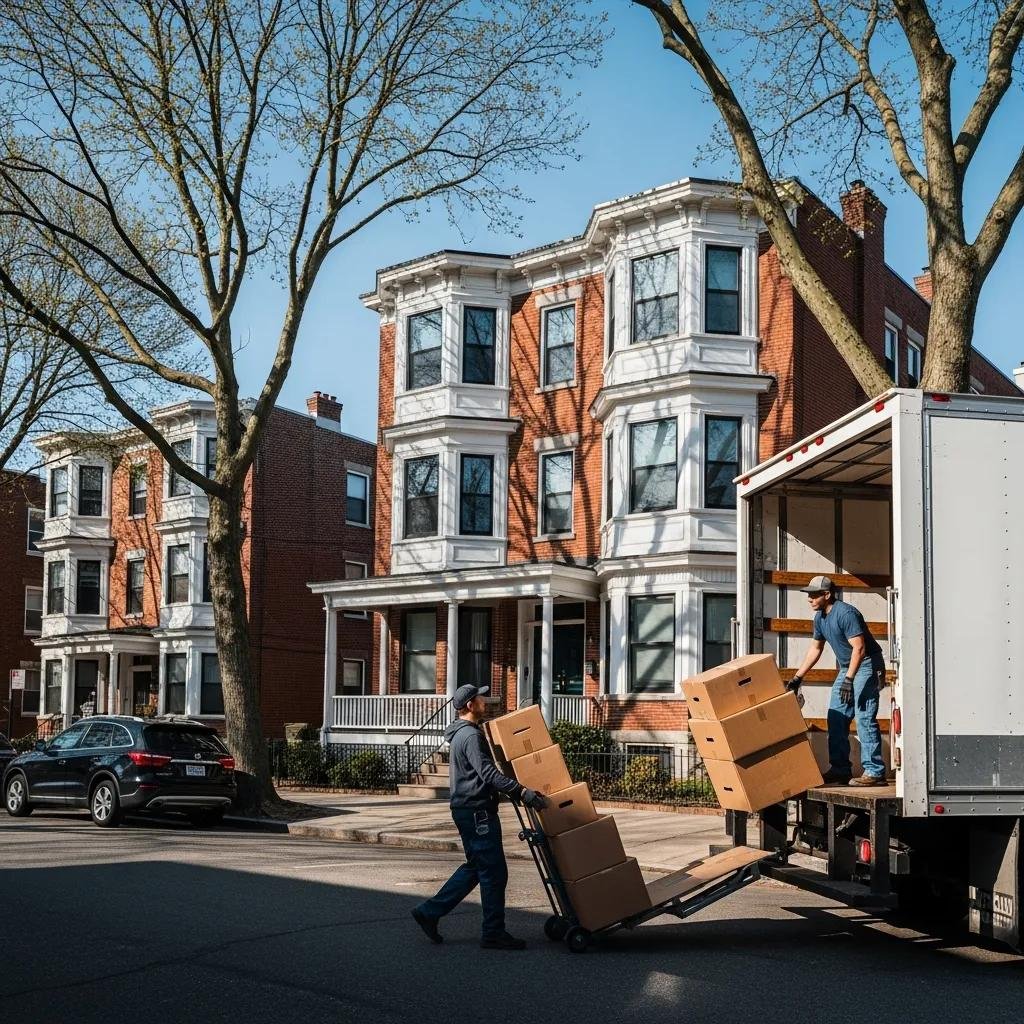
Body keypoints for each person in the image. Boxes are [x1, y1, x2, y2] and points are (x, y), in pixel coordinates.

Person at [411, 683, 548, 950]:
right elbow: (488, 774)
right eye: (481, 697)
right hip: (476, 812)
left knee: (477, 867)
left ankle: (429, 912)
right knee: (494, 872)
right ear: (471, 705)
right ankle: (493, 932)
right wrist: (521, 791)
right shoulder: (470, 736)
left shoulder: (463, 734)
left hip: (467, 809)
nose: (486, 700)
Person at [787, 575, 887, 786]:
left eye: (814, 595)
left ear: (827, 594)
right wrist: (798, 677)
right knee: (836, 715)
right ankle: (840, 769)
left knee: (863, 716)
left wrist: (848, 680)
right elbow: (816, 648)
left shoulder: (846, 613)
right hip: (847, 667)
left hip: (867, 664)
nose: (809, 599)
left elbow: (859, 649)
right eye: (808, 595)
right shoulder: (820, 618)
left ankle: (874, 771)